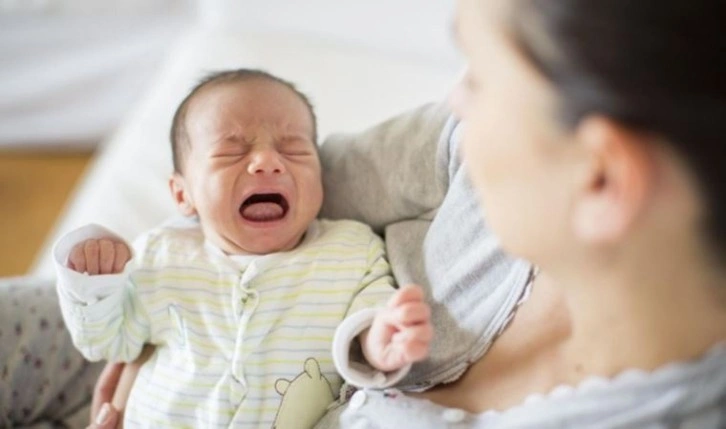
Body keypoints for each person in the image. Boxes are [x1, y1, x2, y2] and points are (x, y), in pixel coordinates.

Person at [52, 69, 432, 428]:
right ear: (183, 194)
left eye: (294, 150)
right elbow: (109, 342)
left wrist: (380, 338)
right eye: (231, 152)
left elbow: (369, 313)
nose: (267, 162)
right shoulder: (161, 254)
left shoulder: (351, 249)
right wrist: (95, 283)